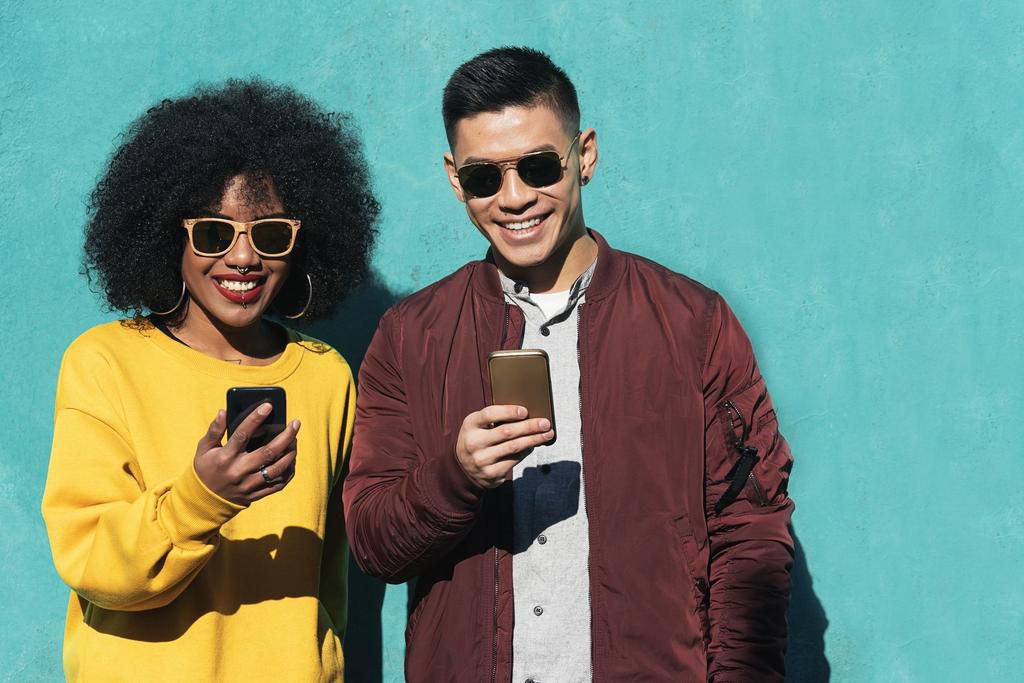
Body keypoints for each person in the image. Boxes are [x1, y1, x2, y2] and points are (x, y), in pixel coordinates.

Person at [343, 46, 794, 682]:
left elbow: (749, 530)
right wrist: (457, 476)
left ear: (584, 156)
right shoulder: (411, 335)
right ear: (453, 178)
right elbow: (372, 543)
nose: (514, 197)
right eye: (483, 178)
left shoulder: (694, 323)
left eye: (538, 166)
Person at [41, 79, 378, 681]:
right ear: (170, 234)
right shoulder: (105, 363)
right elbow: (91, 560)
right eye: (214, 233)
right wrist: (203, 496)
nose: (244, 258)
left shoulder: (327, 375)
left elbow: (329, 577)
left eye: (271, 234)